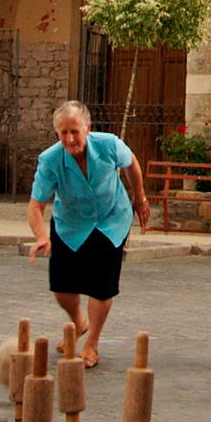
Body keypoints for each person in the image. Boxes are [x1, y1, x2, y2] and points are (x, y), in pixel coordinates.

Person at [27, 100, 151, 368]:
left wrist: (139, 199)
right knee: (61, 286)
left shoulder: (109, 144)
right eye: (64, 133)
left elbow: (132, 164)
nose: (70, 139)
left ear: (87, 128)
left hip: (111, 220)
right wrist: (41, 237)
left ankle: (92, 342)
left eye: (75, 131)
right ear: (57, 133)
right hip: (70, 224)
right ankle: (79, 321)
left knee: (102, 284)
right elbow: (35, 206)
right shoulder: (50, 160)